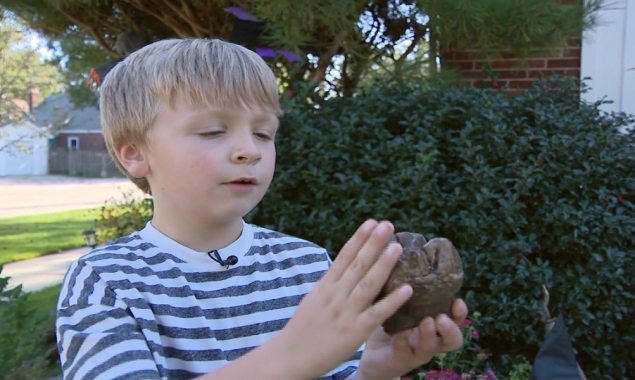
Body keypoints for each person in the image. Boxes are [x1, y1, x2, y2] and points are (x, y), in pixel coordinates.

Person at [55, 38, 468, 380]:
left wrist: (373, 372)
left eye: (264, 133)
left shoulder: (305, 264)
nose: (249, 150)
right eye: (214, 131)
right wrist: (291, 356)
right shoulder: (106, 282)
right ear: (135, 154)